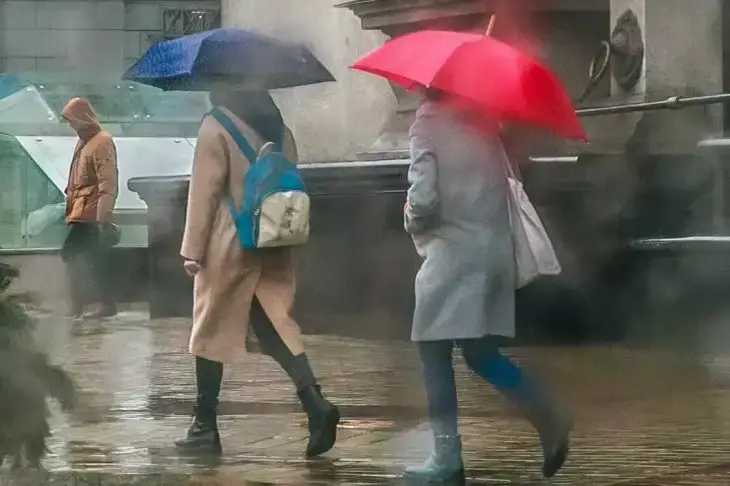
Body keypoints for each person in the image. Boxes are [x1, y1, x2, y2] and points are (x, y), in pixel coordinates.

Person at [403, 90, 572, 484]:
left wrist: (410, 215)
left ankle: (446, 457)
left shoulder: (427, 123)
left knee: (431, 349)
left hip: (453, 254)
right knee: (479, 351)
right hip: (493, 251)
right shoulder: (484, 122)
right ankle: (547, 411)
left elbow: (424, 200)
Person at [176, 87, 340, 457]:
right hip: (274, 240)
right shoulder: (280, 129)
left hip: (229, 241)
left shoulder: (215, 125)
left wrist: (193, 250)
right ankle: (315, 403)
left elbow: (203, 192)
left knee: (210, 328)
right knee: (275, 325)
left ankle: (204, 426)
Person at [60, 97, 119, 320]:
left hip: (91, 212)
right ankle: (96, 304)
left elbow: (108, 181)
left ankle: (84, 304)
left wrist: (103, 216)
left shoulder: (101, 142)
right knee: (94, 258)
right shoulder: (84, 141)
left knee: (74, 254)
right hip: (82, 210)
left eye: (71, 120)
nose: (70, 125)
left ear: (81, 118)